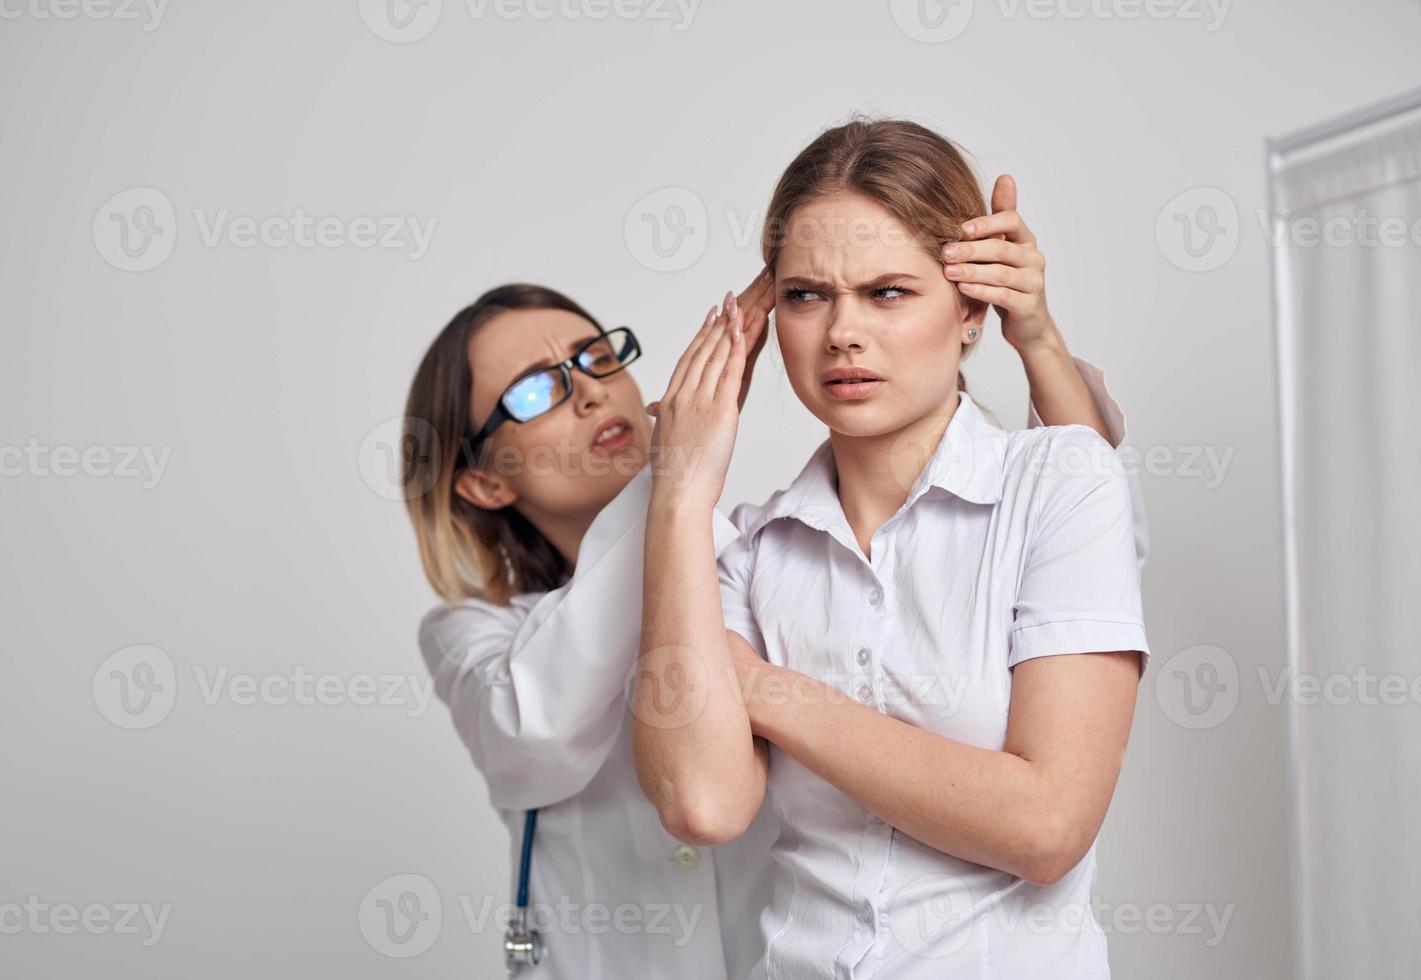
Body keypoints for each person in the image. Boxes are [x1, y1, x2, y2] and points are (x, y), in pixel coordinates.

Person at [405, 154, 1140, 978]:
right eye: (534, 391)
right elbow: (576, 741)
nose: (584, 393)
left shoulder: (730, 547)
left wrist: (1033, 336)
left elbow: (1085, 511)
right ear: (478, 476)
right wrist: (674, 479)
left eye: (593, 358)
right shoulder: (490, 629)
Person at [632, 118, 1150, 979]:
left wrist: (759, 687)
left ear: (972, 306)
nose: (841, 332)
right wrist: (680, 491)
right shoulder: (746, 551)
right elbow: (702, 802)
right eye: (804, 295)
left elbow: (1045, 827)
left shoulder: (1061, 484)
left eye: (886, 292)